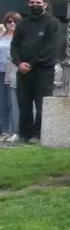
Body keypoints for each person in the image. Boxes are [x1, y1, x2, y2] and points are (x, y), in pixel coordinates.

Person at [10, 0, 62, 144]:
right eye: (32, 3)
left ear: (45, 4)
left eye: (38, 3)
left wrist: (31, 64)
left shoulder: (53, 23)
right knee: (24, 104)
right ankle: (24, 134)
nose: (35, 5)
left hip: (43, 71)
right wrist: (19, 63)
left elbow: (50, 48)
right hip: (23, 71)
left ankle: (37, 135)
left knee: (41, 104)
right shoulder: (22, 24)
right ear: (28, 4)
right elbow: (14, 46)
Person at [0, 12, 19, 141]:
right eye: (9, 21)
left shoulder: (19, 37)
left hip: (13, 72)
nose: (12, 24)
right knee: (2, 103)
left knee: (13, 103)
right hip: (1, 71)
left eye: (14, 21)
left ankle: (14, 130)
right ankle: (5, 130)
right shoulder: (2, 36)